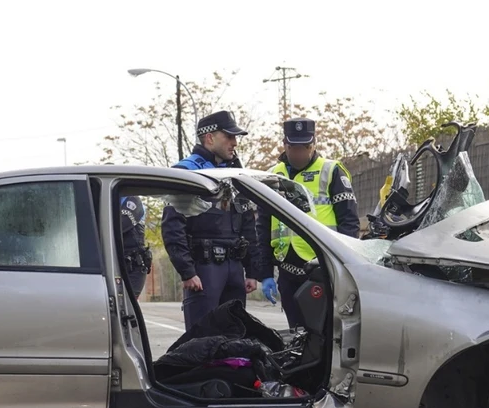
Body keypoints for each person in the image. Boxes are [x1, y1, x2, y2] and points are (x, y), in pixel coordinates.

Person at [254, 118, 361, 328]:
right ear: (285, 145)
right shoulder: (272, 175)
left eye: (305, 147)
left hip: (321, 268)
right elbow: (263, 227)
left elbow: (349, 223)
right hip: (287, 269)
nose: (299, 153)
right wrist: (265, 273)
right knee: (297, 333)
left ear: (314, 144)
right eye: (294, 148)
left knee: (323, 334)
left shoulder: (331, 171)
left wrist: (345, 266)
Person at [162, 110, 261, 330]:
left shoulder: (235, 173)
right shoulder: (187, 171)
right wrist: (187, 271)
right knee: (201, 339)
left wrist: (252, 271)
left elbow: (247, 221)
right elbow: (172, 226)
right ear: (210, 138)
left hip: (234, 268)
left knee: (235, 338)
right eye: (229, 136)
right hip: (204, 270)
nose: (235, 143)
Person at [120, 195, 152, 293]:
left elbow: (121, 225)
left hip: (132, 265)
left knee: (127, 303)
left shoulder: (133, 200)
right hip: (115, 263)